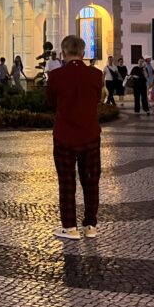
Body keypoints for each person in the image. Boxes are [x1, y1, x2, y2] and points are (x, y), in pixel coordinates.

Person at [45, 35, 104, 240]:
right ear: (83, 52)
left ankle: (70, 227)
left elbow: (51, 101)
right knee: (91, 181)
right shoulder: (96, 74)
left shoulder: (56, 76)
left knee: (67, 182)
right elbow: (97, 98)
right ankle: (90, 224)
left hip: (65, 135)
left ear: (63, 53)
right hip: (90, 133)